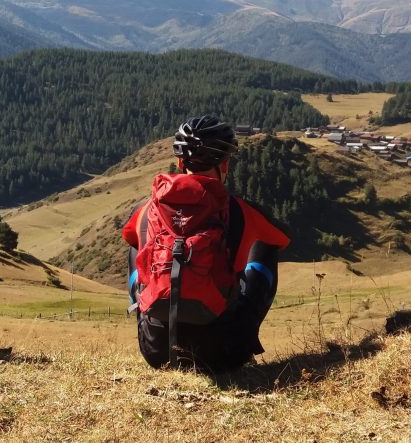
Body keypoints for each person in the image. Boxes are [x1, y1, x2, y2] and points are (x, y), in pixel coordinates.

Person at [122, 115, 289, 371]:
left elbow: (130, 238)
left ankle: (150, 325)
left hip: (157, 353)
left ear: (180, 161)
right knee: (266, 246)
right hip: (223, 357)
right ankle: (245, 336)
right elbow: (282, 239)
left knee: (136, 242)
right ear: (226, 165)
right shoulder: (240, 211)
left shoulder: (145, 209)